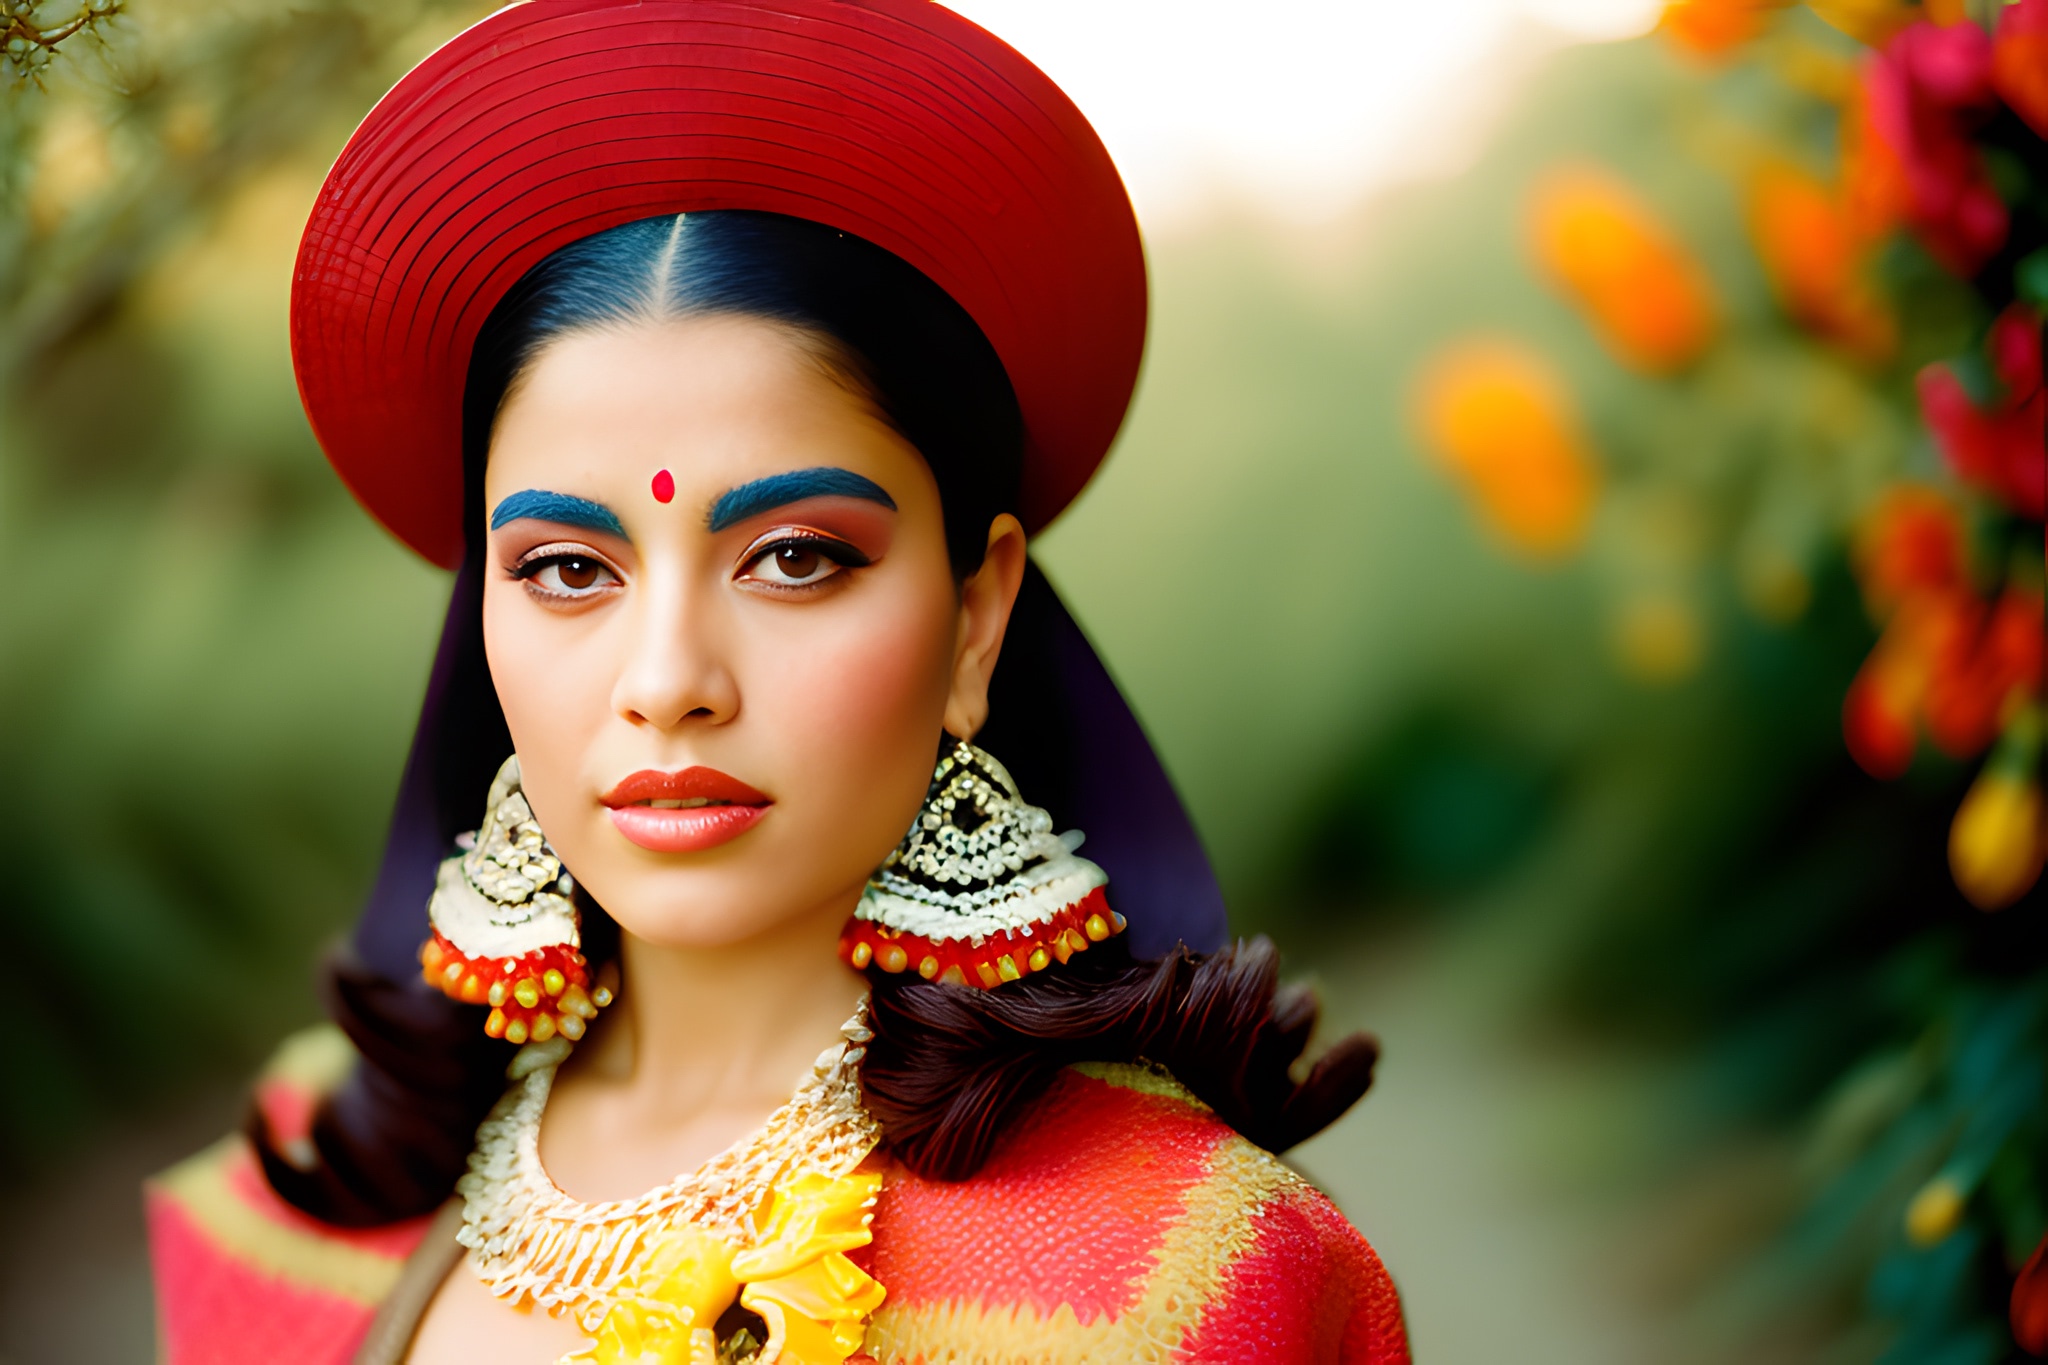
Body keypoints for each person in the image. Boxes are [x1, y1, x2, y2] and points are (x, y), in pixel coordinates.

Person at [145, 3, 1410, 1361]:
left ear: (976, 618)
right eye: (569, 569)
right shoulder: (300, 1190)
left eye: (796, 558)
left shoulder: (1186, 1283)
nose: (669, 679)